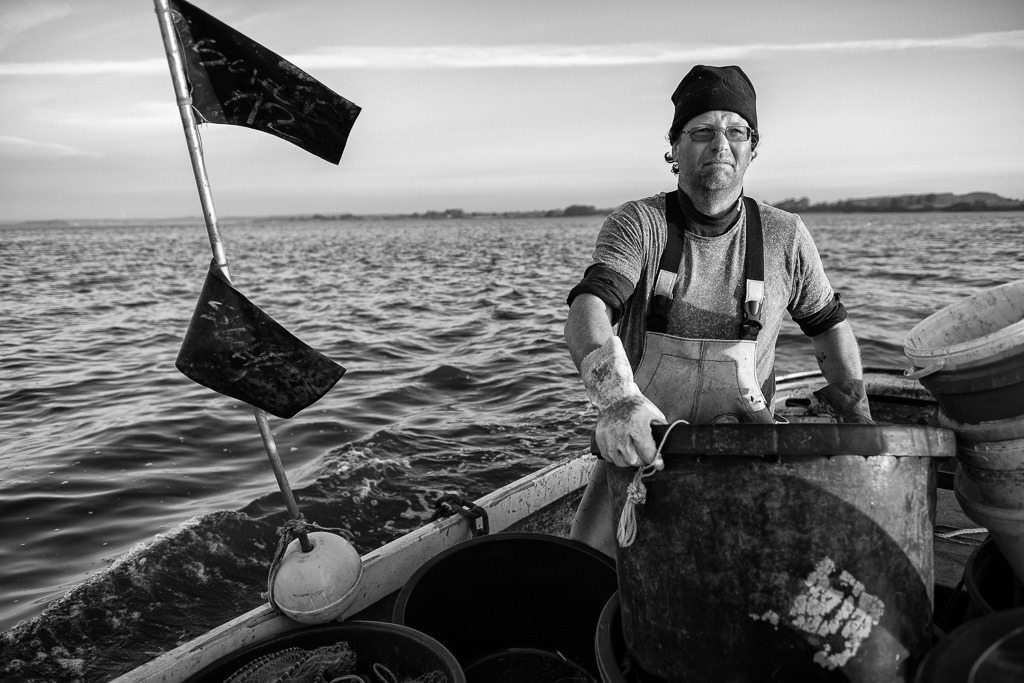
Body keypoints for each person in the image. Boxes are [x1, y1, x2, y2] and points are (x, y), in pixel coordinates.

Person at [563, 64, 873, 555]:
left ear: (754, 147)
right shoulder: (640, 224)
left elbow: (828, 328)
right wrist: (618, 400)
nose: (721, 144)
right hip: (642, 449)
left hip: (748, 453)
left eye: (736, 131)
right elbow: (590, 306)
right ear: (674, 147)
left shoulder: (786, 235)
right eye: (702, 131)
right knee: (584, 571)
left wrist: (857, 416)